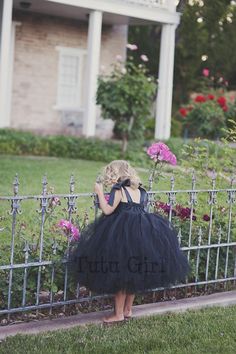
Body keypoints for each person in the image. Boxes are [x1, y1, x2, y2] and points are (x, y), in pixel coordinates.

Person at [70, 160, 190, 324]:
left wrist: (99, 192)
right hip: (142, 234)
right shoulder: (141, 191)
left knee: (121, 274)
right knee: (135, 272)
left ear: (116, 174)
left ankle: (118, 314)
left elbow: (107, 210)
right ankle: (128, 310)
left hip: (122, 235)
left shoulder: (118, 190)